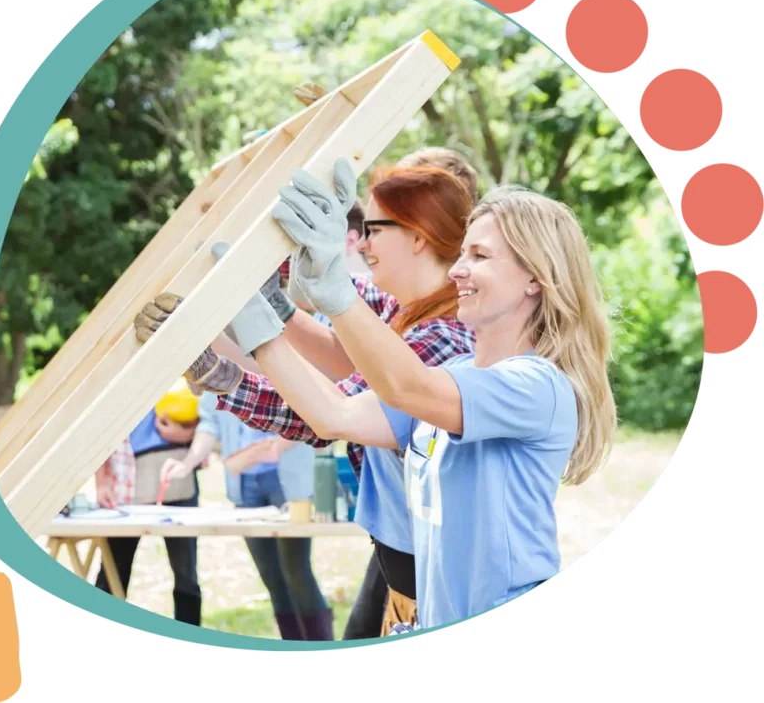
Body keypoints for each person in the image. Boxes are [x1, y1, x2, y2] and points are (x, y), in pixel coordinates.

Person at [174, 161, 616, 631]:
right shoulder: (456, 370)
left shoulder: (536, 387)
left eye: (481, 257)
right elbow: (331, 414)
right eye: (463, 253)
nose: (460, 269)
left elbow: (405, 384)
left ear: (536, 278)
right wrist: (251, 333)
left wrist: (330, 291)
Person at [133, 161, 478, 638]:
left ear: (419, 237)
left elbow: (330, 413)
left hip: (434, 577)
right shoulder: (408, 313)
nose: (360, 243)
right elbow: (344, 355)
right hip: (407, 564)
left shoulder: (444, 339)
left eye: (372, 230)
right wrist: (275, 304)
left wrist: (219, 372)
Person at [158, 392, 333, 639]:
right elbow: (210, 424)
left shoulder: (277, 357)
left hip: (287, 482)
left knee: (297, 572)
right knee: (271, 577)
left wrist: (274, 447)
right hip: (244, 485)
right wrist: (186, 465)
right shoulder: (218, 369)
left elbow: (313, 413)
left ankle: (321, 645)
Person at [92, 380, 205, 626]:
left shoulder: (181, 368)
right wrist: (100, 482)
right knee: (113, 570)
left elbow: (209, 419)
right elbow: (99, 432)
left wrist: (189, 432)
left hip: (178, 480)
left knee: (186, 574)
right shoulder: (116, 379)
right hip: (126, 485)